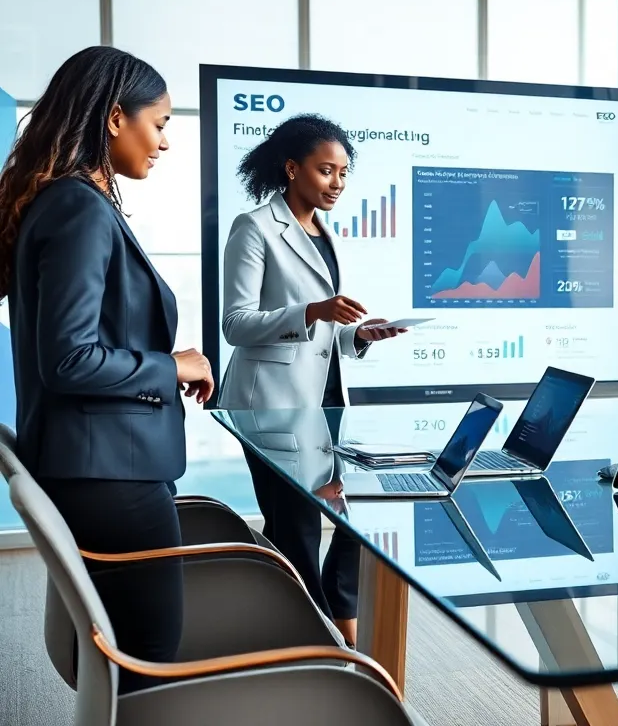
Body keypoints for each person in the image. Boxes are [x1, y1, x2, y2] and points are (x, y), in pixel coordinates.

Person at [0, 46, 213, 691]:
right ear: (116, 119)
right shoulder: (78, 208)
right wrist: (171, 365)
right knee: (149, 657)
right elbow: (69, 359)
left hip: (98, 465)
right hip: (108, 473)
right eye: (161, 122)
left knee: (133, 649)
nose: (166, 142)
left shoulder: (67, 202)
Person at [217, 113, 406, 644]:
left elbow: (327, 334)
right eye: (326, 172)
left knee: (344, 523)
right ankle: (318, 648)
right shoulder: (254, 228)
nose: (337, 184)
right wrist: (313, 310)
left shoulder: (327, 233)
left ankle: (328, 629)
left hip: (323, 406)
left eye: (344, 173)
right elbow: (236, 325)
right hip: (268, 407)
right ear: (292, 167)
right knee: (296, 534)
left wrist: (361, 336)